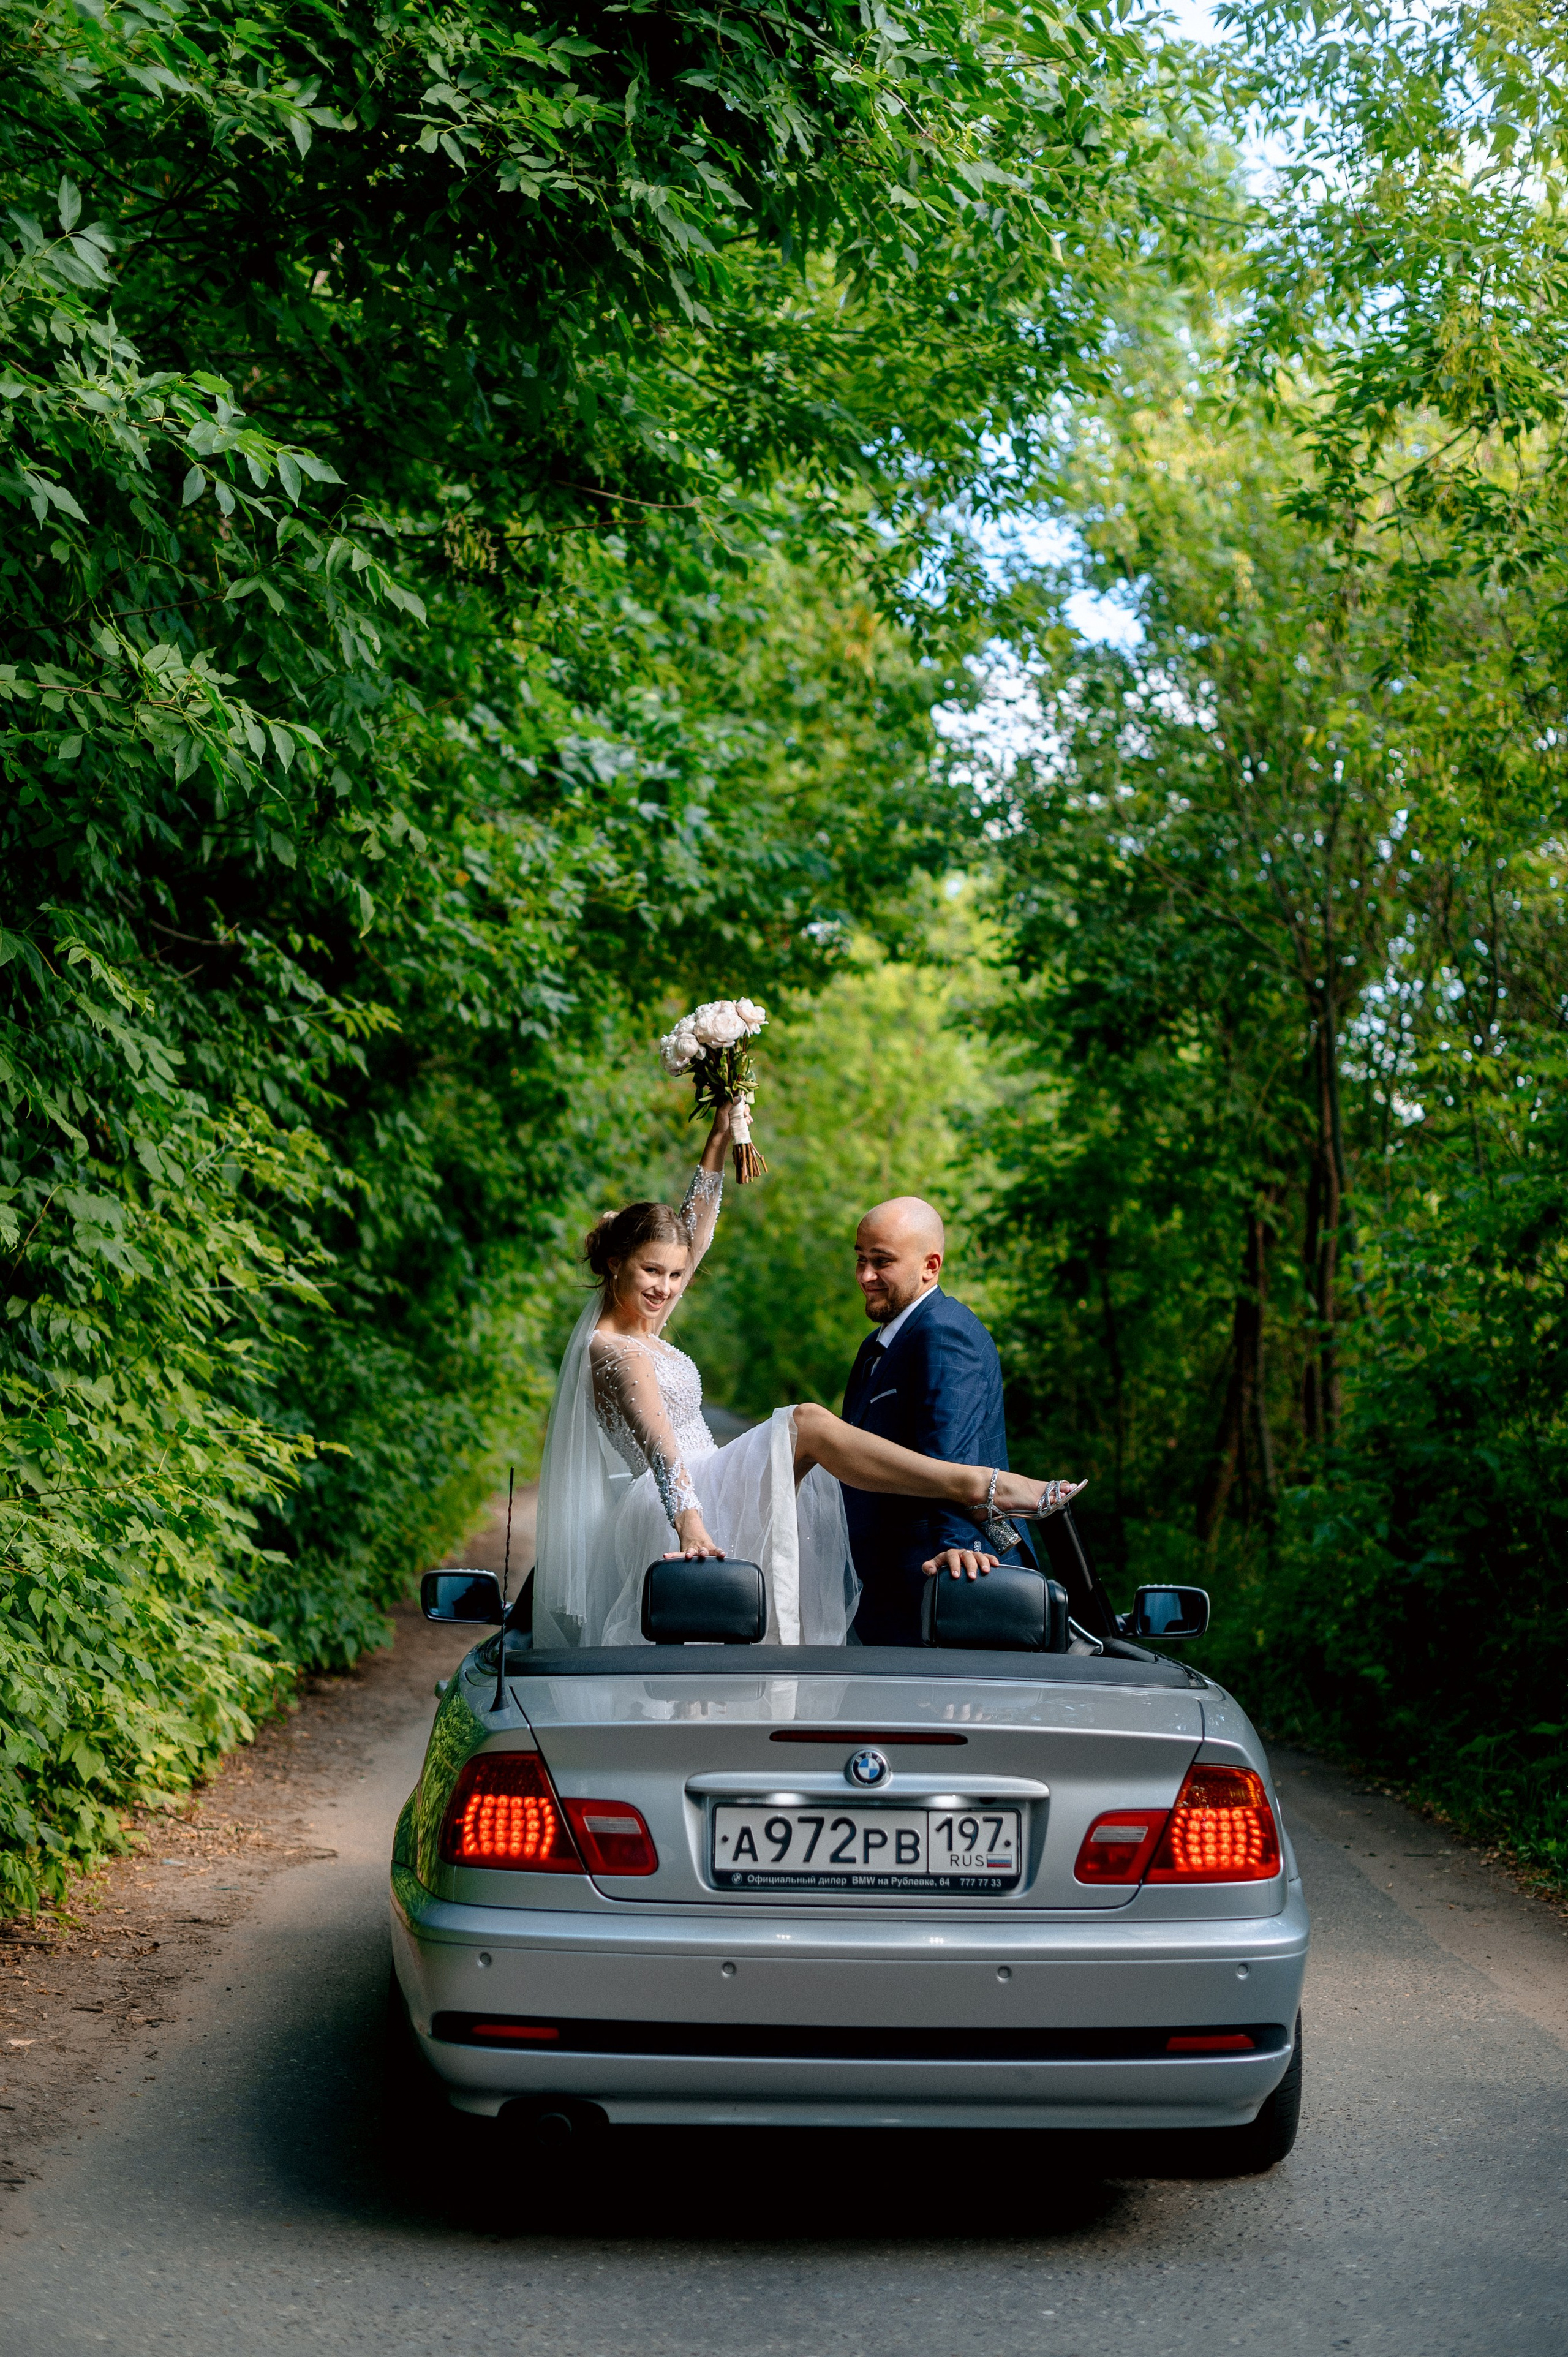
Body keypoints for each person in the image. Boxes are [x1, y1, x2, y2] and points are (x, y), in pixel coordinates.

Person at [531, 1105, 1080, 1649]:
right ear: (615, 1264)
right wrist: (691, 1526)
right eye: (653, 1272)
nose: (668, 1287)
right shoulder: (617, 1349)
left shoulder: (647, 1319)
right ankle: (979, 1484)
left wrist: (720, 1138)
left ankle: (978, 1486)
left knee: (811, 1433)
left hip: (702, 1488)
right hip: (686, 1501)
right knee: (808, 1425)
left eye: (676, 1275)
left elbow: (692, 1234)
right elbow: (663, 1454)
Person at [840, 1196, 1031, 1646]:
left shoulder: (944, 1332)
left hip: (941, 1586)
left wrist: (958, 1548)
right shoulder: (876, 1346)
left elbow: (952, 1455)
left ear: (930, 1265)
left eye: (881, 1262)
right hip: (886, 1590)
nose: (865, 1276)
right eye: (861, 1260)